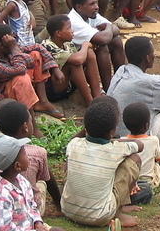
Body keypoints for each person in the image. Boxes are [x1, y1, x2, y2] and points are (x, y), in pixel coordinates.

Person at [61, 97, 143, 228]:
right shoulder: (116, 148)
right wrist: (115, 142)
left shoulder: (74, 143)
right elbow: (140, 145)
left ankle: (110, 206)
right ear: (113, 131)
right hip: (99, 216)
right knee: (134, 159)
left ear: (85, 127)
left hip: (68, 210)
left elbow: (75, 141)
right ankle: (118, 212)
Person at [0, 100, 62, 216]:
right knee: (42, 182)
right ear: (25, 127)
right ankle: (59, 205)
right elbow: (49, 180)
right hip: (27, 211)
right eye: (30, 121)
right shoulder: (38, 152)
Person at [0, 23, 64, 123]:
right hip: (3, 100)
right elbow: (20, 69)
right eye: (12, 40)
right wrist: (14, 48)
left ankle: (43, 102)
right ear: (1, 45)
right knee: (22, 78)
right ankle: (31, 122)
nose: (15, 41)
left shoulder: (8, 51)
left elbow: (36, 49)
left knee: (35, 54)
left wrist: (55, 68)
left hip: (16, 89)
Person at [0, 135, 62, 231]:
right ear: (18, 166)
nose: (28, 156)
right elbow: (3, 228)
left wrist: (37, 222)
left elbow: (32, 206)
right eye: (24, 153)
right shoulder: (1, 195)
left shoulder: (22, 181)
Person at [67, 0, 125, 92]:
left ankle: (121, 82)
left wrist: (108, 28)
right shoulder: (74, 21)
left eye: (96, 3)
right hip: (75, 63)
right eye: (92, 4)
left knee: (116, 40)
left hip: (87, 55)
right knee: (102, 46)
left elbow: (116, 30)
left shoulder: (90, 14)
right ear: (79, 7)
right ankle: (109, 89)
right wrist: (108, 27)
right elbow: (103, 38)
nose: (97, 7)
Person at [41, 14, 101, 105]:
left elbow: (82, 57)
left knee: (89, 53)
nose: (72, 31)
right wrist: (85, 45)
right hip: (54, 90)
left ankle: (97, 95)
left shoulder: (67, 44)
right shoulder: (47, 46)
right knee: (74, 63)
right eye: (69, 28)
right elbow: (78, 60)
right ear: (58, 33)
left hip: (68, 84)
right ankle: (90, 103)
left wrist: (87, 49)